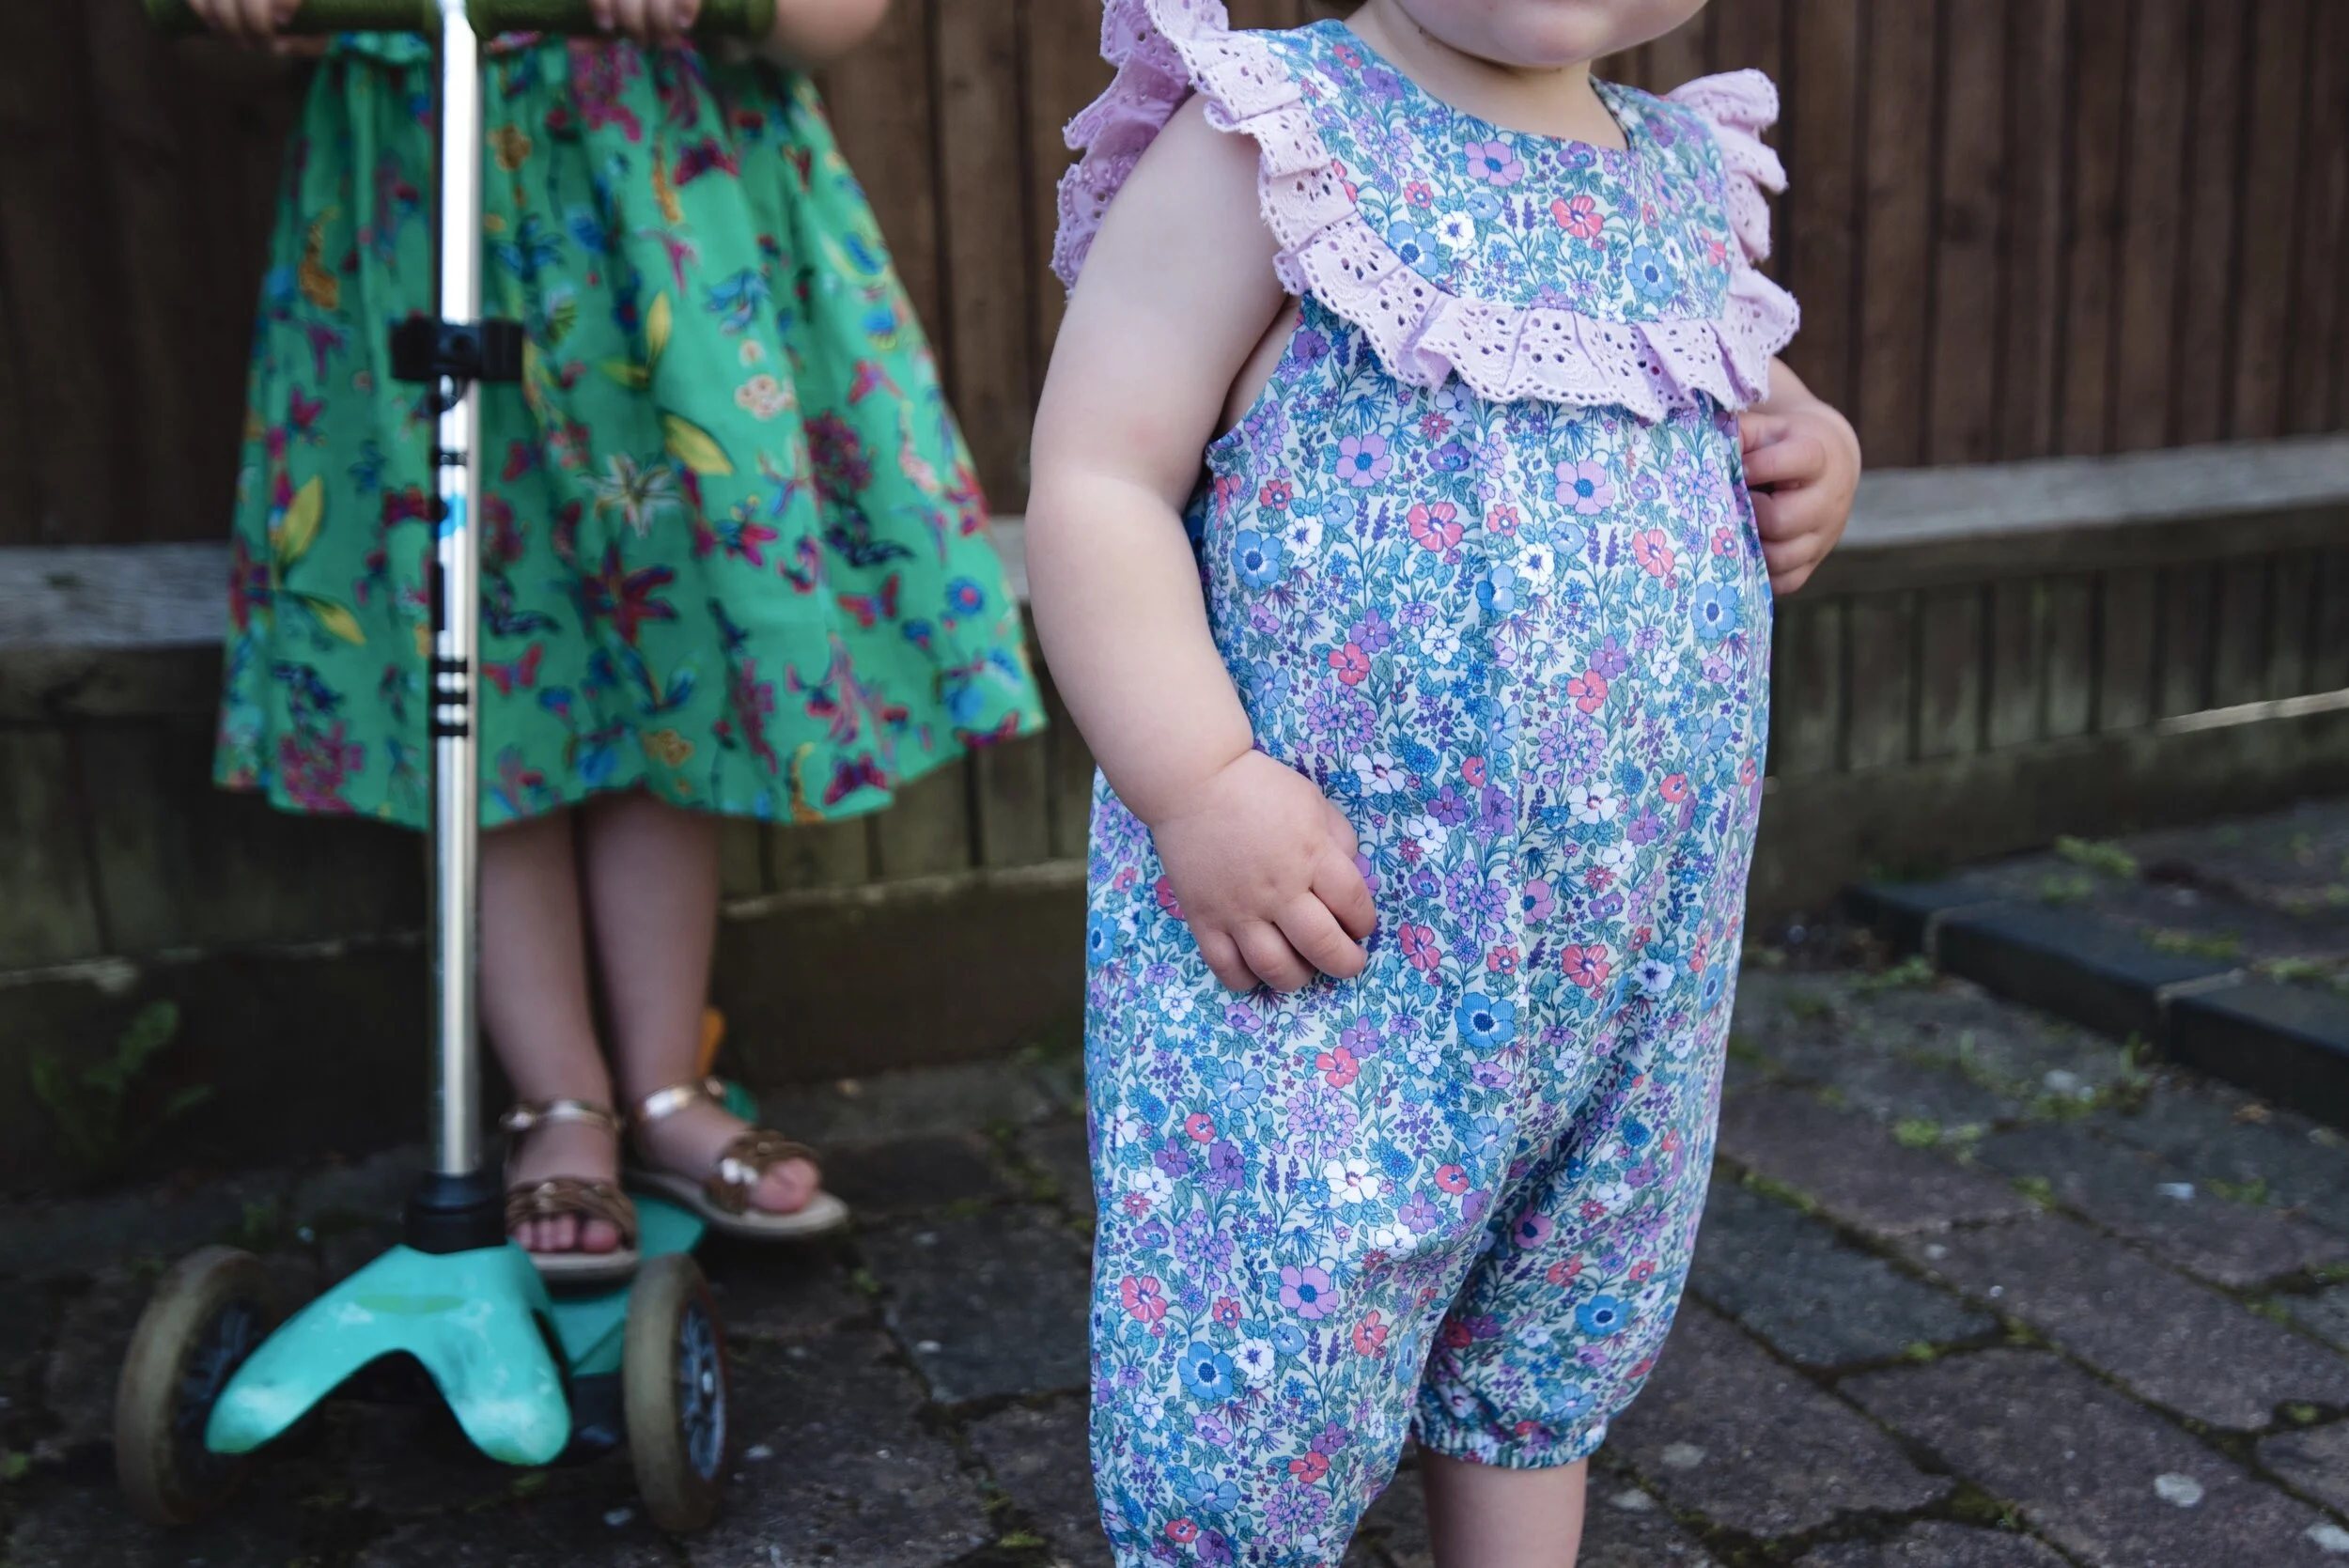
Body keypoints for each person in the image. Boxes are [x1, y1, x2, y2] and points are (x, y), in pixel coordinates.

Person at [1028, 0, 1860, 1561]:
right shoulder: (1272, 140)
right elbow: (1096, 477)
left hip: (1628, 950)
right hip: (1338, 932)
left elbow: (1749, 395)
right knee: (1280, 1310)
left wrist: (1817, 448)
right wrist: (1198, 781)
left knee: (1553, 1321)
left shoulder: (1682, 173)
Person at [194, 0, 1042, 1281]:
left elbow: (835, 17)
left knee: (672, 650)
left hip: (662, 230)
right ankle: (560, 1103)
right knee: (471, 656)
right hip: (429, 217)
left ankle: (660, 1090)